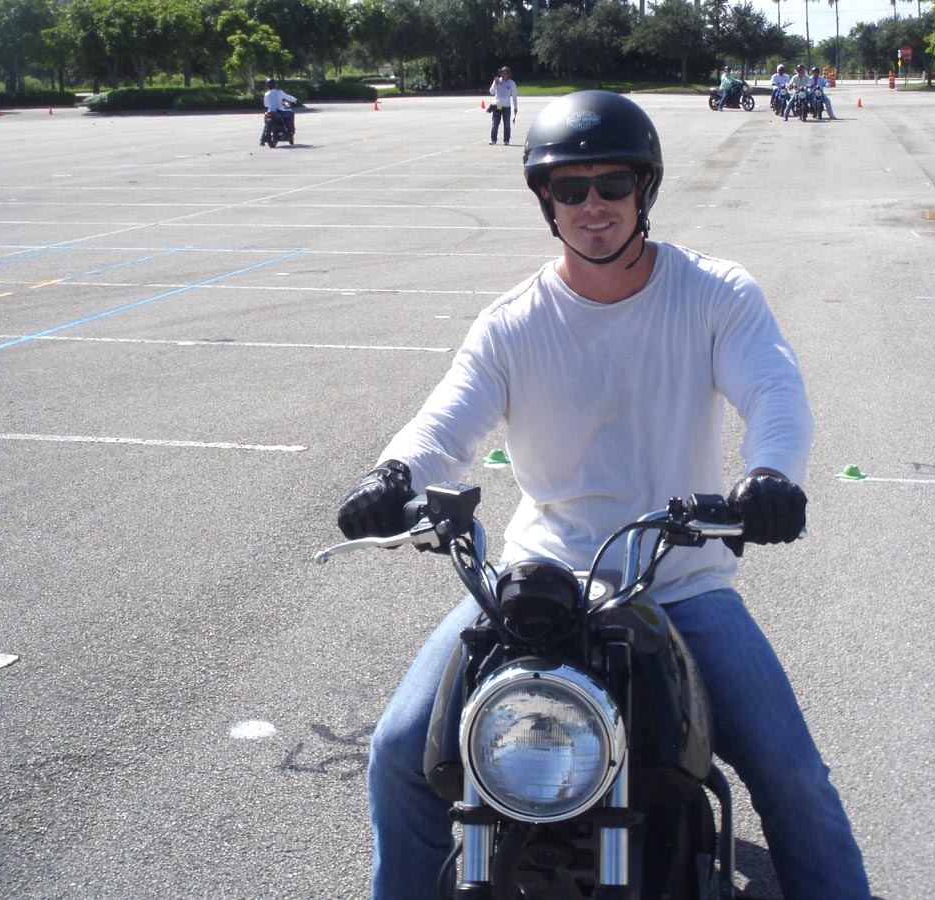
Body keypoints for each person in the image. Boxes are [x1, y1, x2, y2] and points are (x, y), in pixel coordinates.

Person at [337, 90, 871, 900]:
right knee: (400, 753)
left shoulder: (714, 292)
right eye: (570, 187)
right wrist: (392, 475)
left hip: (681, 579)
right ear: (546, 201)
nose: (593, 205)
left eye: (613, 183)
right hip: (538, 580)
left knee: (792, 774)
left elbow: (775, 392)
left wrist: (772, 474)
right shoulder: (512, 322)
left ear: (644, 188)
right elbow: (443, 422)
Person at [261, 77, 298, 144]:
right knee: (291, 113)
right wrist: (296, 100)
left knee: (267, 124)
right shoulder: (279, 92)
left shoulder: (266, 94)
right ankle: (291, 131)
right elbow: (288, 97)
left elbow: (266, 105)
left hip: (270, 111)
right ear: (275, 84)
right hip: (279, 111)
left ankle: (262, 140)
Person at [488, 65, 518, 145]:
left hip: (506, 107)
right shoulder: (498, 81)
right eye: (502, 73)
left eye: (504, 73)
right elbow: (491, 92)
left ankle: (506, 140)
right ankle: (493, 139)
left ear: (508, 74)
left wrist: (515, 107)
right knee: (495, 124)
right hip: (497, 106)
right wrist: (495, 84)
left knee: (507, 124)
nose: (503, 74)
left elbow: (514, 96)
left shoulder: (511, 83)